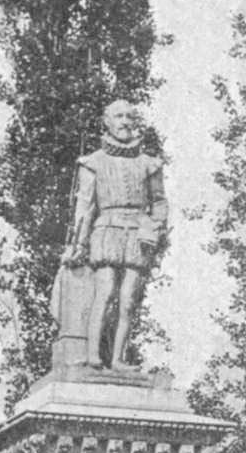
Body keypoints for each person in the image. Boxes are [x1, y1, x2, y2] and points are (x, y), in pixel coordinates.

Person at [60, 98, 168, 371]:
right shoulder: (93, 162)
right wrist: (77, 244)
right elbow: (84, 207)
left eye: (130, 117)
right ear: (106, 122)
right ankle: (93, 355)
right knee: (104, 292)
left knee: (129, 299)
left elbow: (159, 201)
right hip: (106, 229)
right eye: (118, 116)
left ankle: (118, 359)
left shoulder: (149, 164)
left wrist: (154, 226)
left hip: (137, 233)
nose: (125, 122)